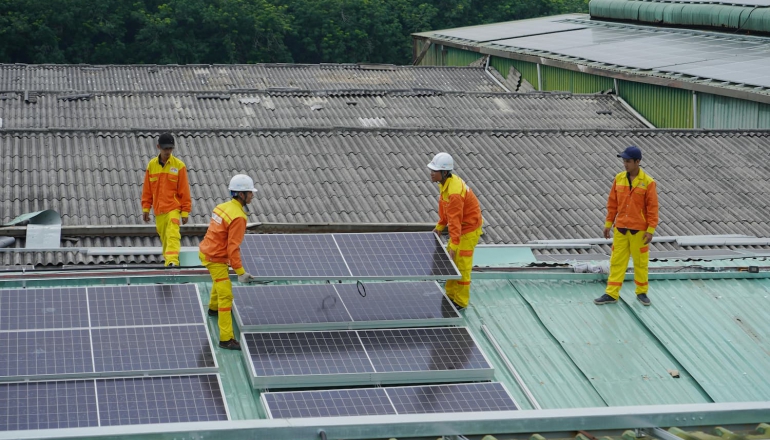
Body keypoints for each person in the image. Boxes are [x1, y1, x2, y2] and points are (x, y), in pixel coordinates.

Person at [199, 174, 258, 350]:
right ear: (241, 195)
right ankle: (226, 339)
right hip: (215, 258)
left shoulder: (221, 207)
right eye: (250, 192)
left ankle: (213, 309)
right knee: (226, 294)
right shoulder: (238, 217)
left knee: (220, 281)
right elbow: (233, 248)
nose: (252, 195)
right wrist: (241, 272)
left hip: (206, 251)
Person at [595, 145, 659, 307]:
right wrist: (608, 224)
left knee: (640, 262)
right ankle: (611, 294)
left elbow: (652, 208)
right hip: (621, 229)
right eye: (624, 161)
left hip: (639, 231)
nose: (625, 164)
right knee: (616, 262)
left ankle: (642, 292)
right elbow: (612, 204)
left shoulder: (648, 183)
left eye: (628, 161)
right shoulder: (619, 179)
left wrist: (651, 230)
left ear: (638, 162)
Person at [428, 152, 483, 310]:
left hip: (468, 230)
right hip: (459, 228)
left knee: (461, 266)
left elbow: (455, 222)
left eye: (434, 170)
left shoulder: (454, 193)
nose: (431, 173)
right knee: (452, 263)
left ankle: (460, 301)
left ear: (444, 172)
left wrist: (453, 246)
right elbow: (446, 212)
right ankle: (451, 294)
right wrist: (439, 227)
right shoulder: (445, 184)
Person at [141, 133, 191, 267]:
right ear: (158, 147)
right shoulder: (151, 166)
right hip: (159, 211)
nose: (168, 151)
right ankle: (168, 264)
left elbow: (184, 190)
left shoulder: (179, 166)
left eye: (170, 148)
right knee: (165, 239)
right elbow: (147, 190)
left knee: (173, 234)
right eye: (165, 149)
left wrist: (185, 212)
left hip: (173, 208)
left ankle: (173, 261)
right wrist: (146, 208)